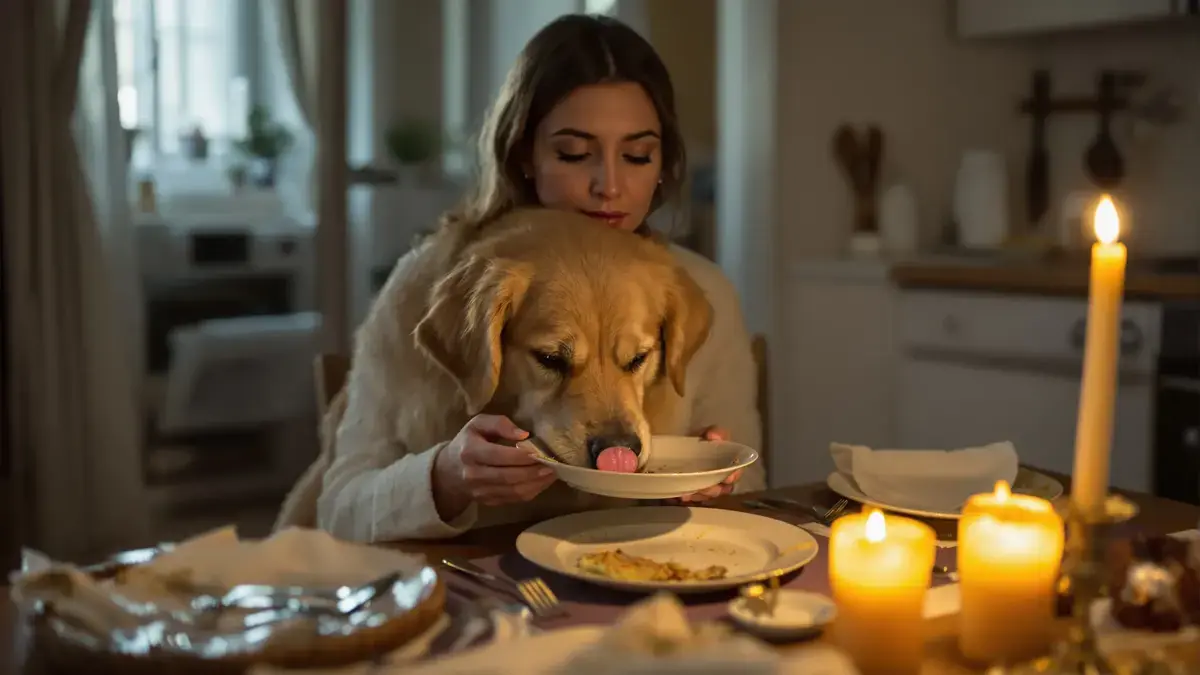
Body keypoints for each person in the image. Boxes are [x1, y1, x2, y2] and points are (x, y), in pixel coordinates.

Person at [318, 14, 763, 541]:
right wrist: (445, 478)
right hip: (468, 596)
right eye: (574, 153)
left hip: (639, 588)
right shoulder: (432, 284)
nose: (610, 186)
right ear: (524, 154)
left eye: (638, 155)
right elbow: (339, 512)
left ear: (663, 163)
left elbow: (753, 488)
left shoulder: (697, 289)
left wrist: (707, 489)